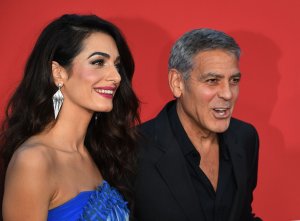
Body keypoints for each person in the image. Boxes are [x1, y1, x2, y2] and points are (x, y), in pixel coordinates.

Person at [0, 14, 139, 221]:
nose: (116, 77)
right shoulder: (34, 161)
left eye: (116, 65)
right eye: (99, 62)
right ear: (58, 73)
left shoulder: (98, 152)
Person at [134, 28, 262, 221]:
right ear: (177, 83)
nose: (228, 94)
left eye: (234, 80)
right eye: (212, 81)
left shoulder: (245, 137)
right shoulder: (131, 150)